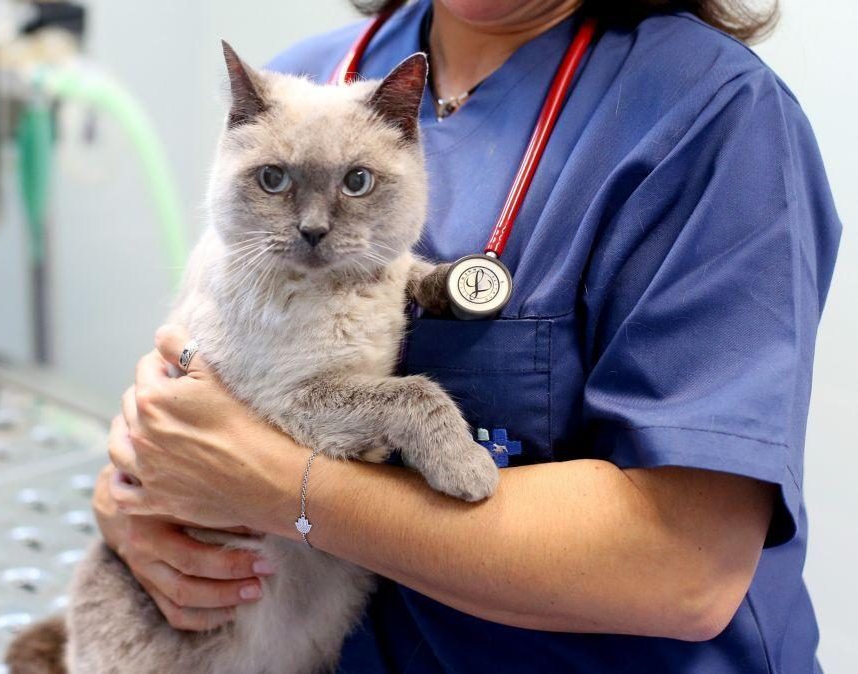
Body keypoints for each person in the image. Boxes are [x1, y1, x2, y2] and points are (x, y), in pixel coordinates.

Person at [97, 0, 842, 671]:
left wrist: (275, 486)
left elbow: (686, 569)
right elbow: (192, 377)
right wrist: (135, 508)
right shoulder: (310, 79)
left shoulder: (714, 118)